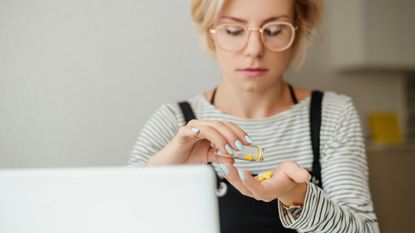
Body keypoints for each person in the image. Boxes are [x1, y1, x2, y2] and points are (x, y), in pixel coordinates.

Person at [128, 0, 380, 232]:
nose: (254, 50)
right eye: (234, 30)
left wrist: (298, 197)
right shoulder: (173, 121)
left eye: (273, 30)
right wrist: (159, 180)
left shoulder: (333, 114)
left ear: (298, 32)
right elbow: (122, 219)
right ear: (210, 33)